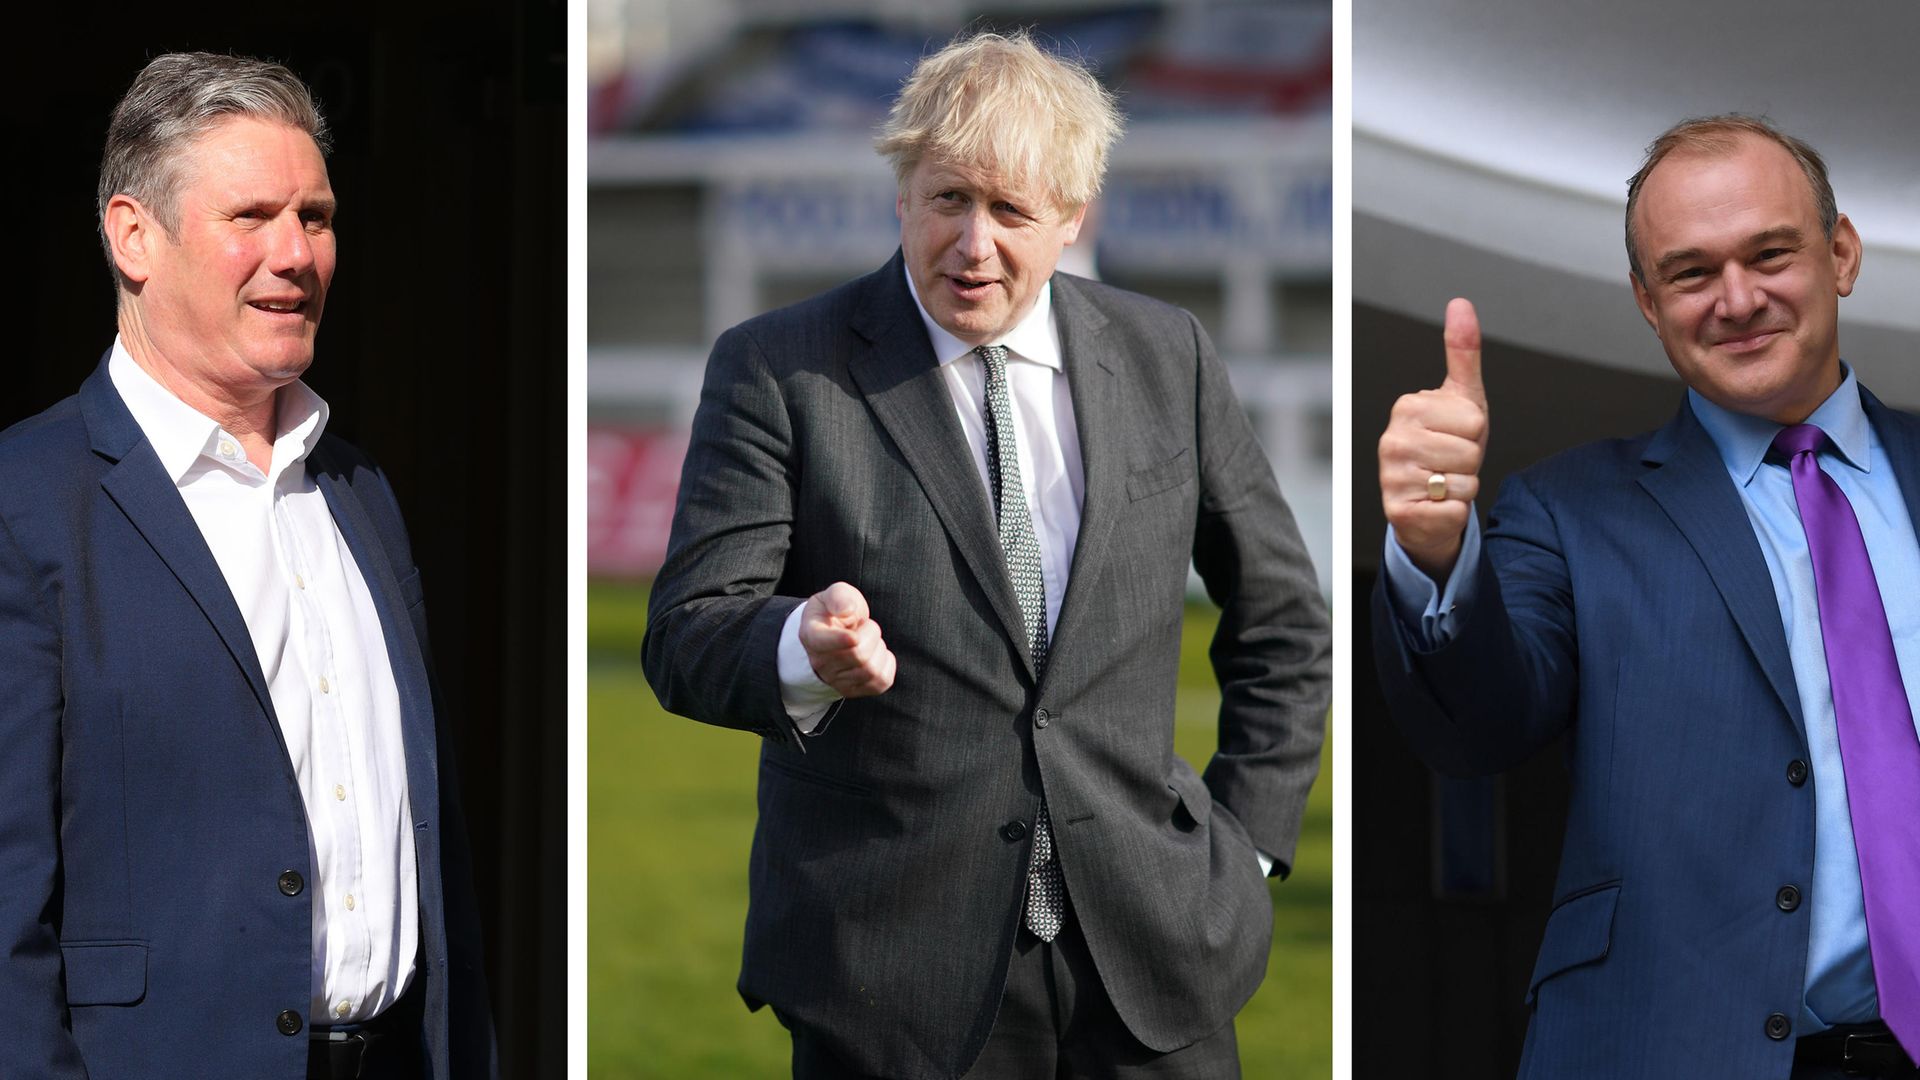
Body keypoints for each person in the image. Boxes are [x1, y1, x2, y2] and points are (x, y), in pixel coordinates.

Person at [643, 28, 1329, 1080]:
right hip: (891, 977)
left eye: (1011, 211)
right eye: (948, 199)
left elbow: (1281, 617)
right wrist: (797, 648)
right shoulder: (780, 369)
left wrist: (1250, 843)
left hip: (1154, 954)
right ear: (903, 192)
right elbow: (689, 632)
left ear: (1072, 219)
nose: (973, 244)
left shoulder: (1168, 356)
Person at [1373, 114, 1920, 1079]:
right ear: (1645, 300)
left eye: (1770, 253)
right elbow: (1477, 728)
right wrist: (1432, 549)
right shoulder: (1566, 510)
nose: (1738, 299)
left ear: (1841, 253)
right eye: (1692, 272)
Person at [0, 53, 494, 1079]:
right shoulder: (27, 502)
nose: (295, 254)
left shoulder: (360, 495)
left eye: (315, 217)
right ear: (133, 235)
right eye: (252, 217)